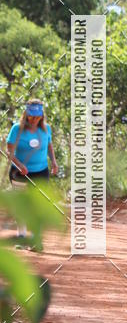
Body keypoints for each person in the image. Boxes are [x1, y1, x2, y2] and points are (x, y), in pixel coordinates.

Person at [6, 98, 59, 240]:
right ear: (26, 114)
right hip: (19, 173)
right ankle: (21, 234)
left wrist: (54, 162)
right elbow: (9, 151)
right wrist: (19, 165)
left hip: (41, 172)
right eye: (31, 116)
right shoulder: (16, 129)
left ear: (42, 116)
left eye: (37, 116)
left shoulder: (46, 129)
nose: (34, 119)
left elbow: (49, 146)